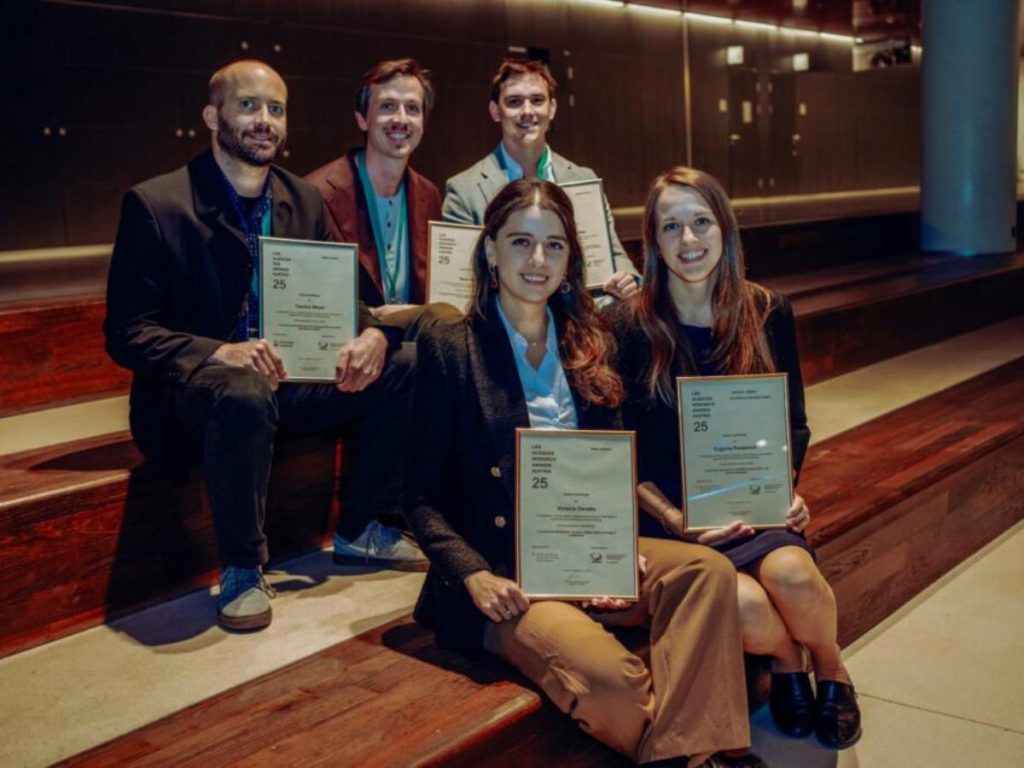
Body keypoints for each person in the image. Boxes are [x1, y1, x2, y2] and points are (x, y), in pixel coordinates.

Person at [404, 178, 763, 768]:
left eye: (554, 245)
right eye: (520, 242)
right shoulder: (451, 348)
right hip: (507, 574)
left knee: (706, 573)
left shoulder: (588, 340)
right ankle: (702, 755)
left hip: (586, 552)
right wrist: (472, 577)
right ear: (490, 249)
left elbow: (609, 464)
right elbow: (417, 498)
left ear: (572, 257)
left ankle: (687, 756)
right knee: (614, 684)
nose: (537, 260)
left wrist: (613, 548)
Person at [104, 60, 426, 634]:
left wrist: (375, 332)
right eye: (248, 106)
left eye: (275, 109)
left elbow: (340, 303)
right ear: (212, 116)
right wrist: (215, 352)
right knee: (244, 386)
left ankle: (360, 528)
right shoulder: (157, 204)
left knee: (402, 363)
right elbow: (128, 332)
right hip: (190, 399)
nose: (264, 121)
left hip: (286, 383)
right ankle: (243, 567)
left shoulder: (302, 200)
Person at [607, 166, 862, 750]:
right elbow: (618, 450)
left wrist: (785, 491)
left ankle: (829, 667)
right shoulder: (626, 324)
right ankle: (787, 658)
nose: (689, 239)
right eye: (671, 226)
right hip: (671, 516)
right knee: (742, 605)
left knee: (794, 577)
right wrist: (675, 519)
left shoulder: (767, 310)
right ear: (653, 239)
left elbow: (792, 421)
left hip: (752, 499)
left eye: (701, 222)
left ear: (725, 228)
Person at [442, 58, 638, 302]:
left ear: (552, 108)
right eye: (514, 102)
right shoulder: (464, 190)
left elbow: (614, 256)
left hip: (579, 318)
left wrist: (627, 279)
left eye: (537, 100)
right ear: (495, 111)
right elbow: (461, 284)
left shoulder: (584, 180)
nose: (527, 111)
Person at [306, 58, 461, 334]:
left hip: (412, 348)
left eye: (412, 108)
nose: (401, 119)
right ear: (362, 119)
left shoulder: (430, 195)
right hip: (347, 346)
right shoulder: (316, 194)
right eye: (388, 106)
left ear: (423, 122)